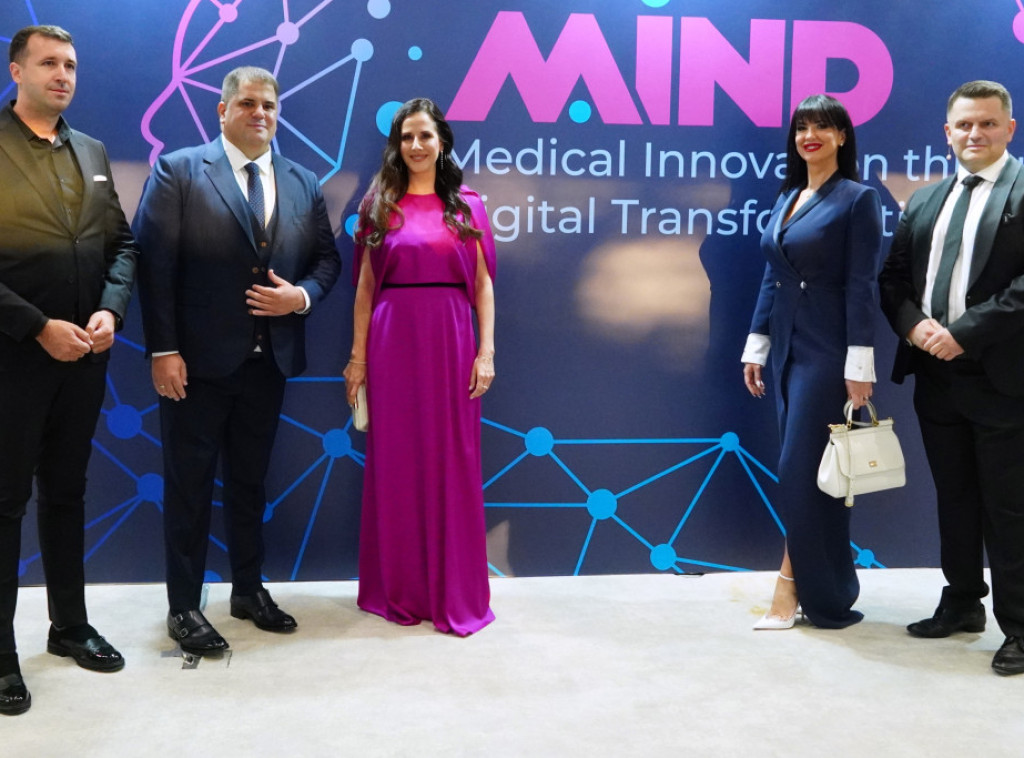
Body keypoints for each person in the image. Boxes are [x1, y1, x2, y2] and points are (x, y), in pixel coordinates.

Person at [133, 66, 341, 656]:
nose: (260, 113)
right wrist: (164, 350)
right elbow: (155, 266)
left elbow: (327, 261)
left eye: (269, 105)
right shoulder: (179, 171)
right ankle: (183, 607)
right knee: (190, 487)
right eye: (248, 103)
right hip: (195, 366)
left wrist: (300, 298)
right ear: (222, 111)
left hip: (269, 363)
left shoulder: (302, 181)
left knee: (249, 483)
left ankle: (248, 590)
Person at [0, 25, 137, 716]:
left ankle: (69, 627)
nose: (63, 75)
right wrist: (37, 326)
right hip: (12, 359)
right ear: (16, 70)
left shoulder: (92, 151)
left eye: (71, 65)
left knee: (66, 493)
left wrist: (110, 309)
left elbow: (122, 245)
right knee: (3, 505)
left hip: (84, 358)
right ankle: (0, 654)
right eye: (49, 63)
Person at [879, 80, 1024, 675]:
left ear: (1009, 128)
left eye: (987, 123)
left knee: (1010, 508)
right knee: (955, 496)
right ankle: (962, 601)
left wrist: (964, 332)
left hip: (1003, 379)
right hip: (935, 375)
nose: (975, 133)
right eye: (964, 124)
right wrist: (916, 328)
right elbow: (892, 281)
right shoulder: (923, 200)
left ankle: (1019, 629)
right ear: (947, 132)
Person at [344, 98, 496, 636]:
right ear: (397, 145)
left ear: (442, 142)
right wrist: (358, 358)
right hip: (392, 341)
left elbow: (483, 286)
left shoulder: (468, 206)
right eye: (406, 137)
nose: (416, 145)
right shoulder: (378, 205)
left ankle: (452, 591)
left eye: (425, 136)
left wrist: (486, 352)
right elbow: (365, 288)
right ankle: (401, 589)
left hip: (452, 339)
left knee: (452, 461)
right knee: (397, 464)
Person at [741, 94, 883, 630]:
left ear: (842, 136)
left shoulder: (857, 199)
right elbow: (772, 276)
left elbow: (862, 285)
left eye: (823, 126)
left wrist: (859, 367)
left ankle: (793, 587)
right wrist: (757, 345)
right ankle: (830, 588)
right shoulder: (788, 196)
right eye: (802, 127)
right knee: (812, 476)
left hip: (829, 354)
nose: (810, 136)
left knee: (801, 473)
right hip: (786, 350)